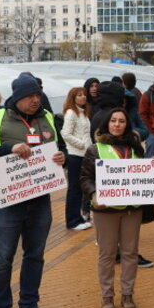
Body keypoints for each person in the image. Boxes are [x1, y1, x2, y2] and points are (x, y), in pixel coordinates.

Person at [0, 72, 65, 308]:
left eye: (37, 94)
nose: (36, 100)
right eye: (30, 96)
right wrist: (9, 149)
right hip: (8, 200)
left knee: (35, 255)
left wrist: (63, 158)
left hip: (39, 199)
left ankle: (28, 306)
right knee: (2, 259)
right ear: (17, 98)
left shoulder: (47, 117)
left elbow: (63, 150)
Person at [81, 107, 146, 308]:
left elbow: (143, 177)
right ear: (106, 124)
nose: (117, 125)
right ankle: (107, 296)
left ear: (127, 125)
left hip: (131, 210)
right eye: (113, 121)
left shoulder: (136, 149)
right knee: (107, 254)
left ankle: (128, 294)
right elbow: (85, 178)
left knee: (130, 253)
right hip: (105, 210)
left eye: (121, 121)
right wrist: (94, 193)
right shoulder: (95, 149)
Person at [60, 87, 92, 231]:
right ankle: (72, 221)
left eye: (84, 95)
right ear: (72, 98)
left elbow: (86, 134)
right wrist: (82, 145)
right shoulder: (71, 113)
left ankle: (78, 218)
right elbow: (65, 134)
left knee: (79, 189)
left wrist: (90, 148)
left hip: (84, 154)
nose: (83, 97)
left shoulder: (83, 112)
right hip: (74, 155)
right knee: (74, 189)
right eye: (79, 95)